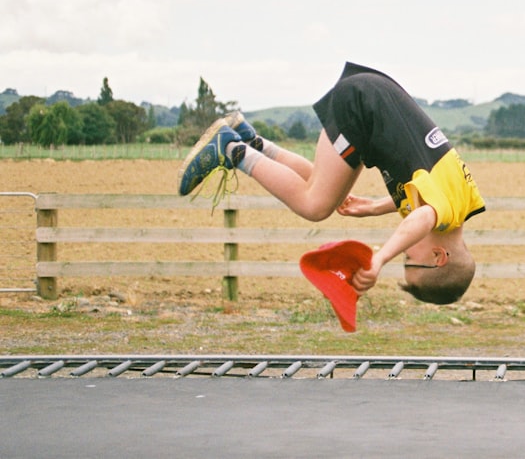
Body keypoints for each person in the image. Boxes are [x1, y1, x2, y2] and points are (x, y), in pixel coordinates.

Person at [178, 62, 486, 304]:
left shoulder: (464, 203)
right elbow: (420, 218)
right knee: (314, 206)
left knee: (322, 189)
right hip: (364, 108)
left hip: (371, 100)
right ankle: (232, 150)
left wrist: (375, 207)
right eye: (409, 259)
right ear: (438, 257)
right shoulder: (441, 217)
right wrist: (379, 260)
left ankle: (252, 141)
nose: (405, 253)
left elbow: (424, 194)